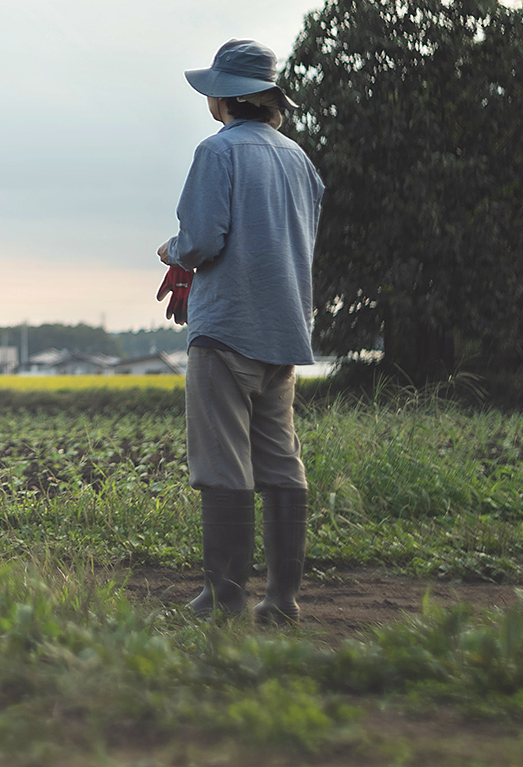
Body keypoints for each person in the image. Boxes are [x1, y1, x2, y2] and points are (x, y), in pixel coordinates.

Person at [157, 38, 324, 624]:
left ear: (222, 97)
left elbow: (201, 241)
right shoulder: (299, 160)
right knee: (280, 460)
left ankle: (223, 596)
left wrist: (169, 250)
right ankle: (281, 600)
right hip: (284, 326)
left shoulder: (217, 152)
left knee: (223, 464)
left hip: (226, 325)